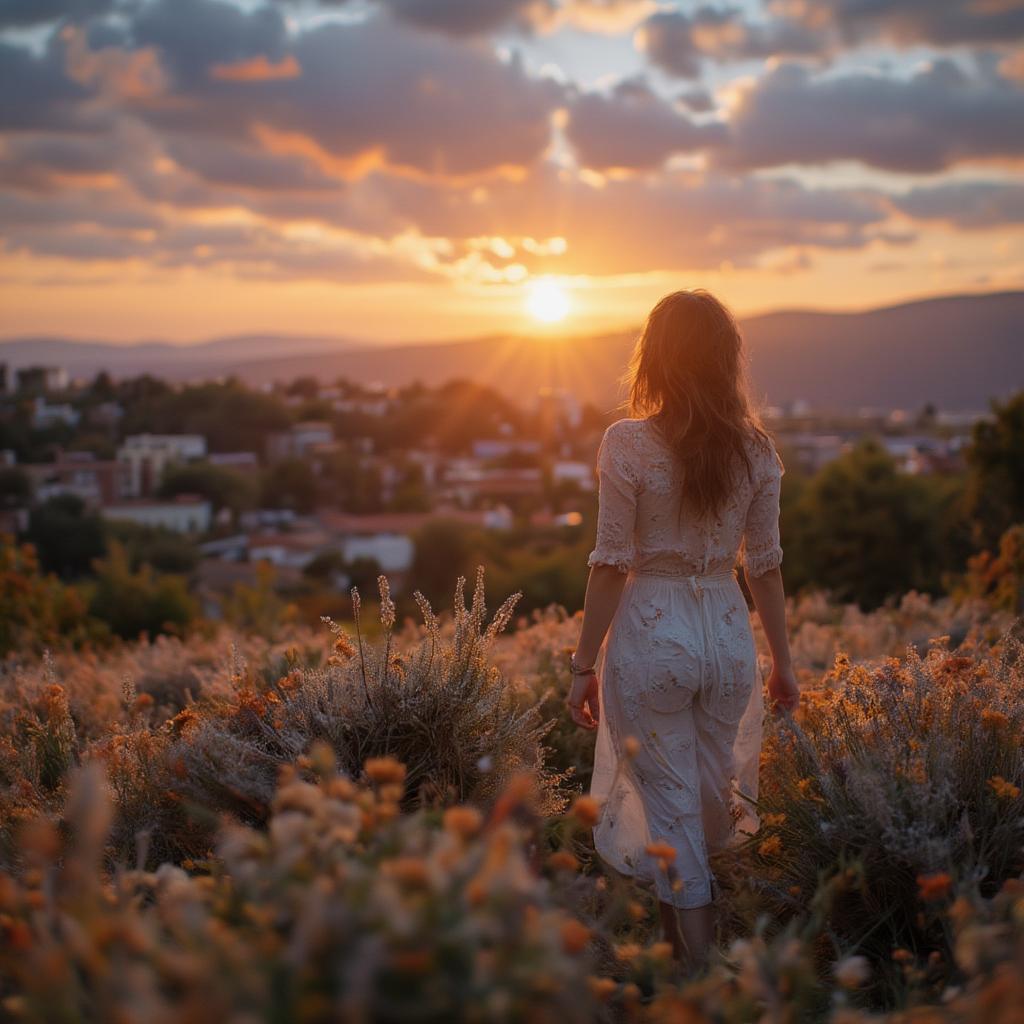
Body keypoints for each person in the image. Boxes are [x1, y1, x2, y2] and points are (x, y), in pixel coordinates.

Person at [567, 289, 799, 973]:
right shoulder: (757, 451)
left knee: (673, 818)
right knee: (698, 813)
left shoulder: (628, 442)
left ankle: (696, 988)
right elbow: (768, 569)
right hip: (728, 638)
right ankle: (694, 967)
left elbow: (611, 563)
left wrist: (582, 665)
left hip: (653, 635)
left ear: (655, 356)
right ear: (727, 360)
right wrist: (783, 663)